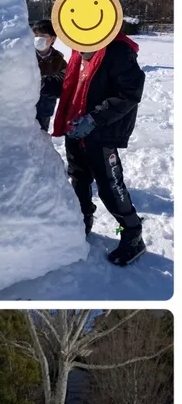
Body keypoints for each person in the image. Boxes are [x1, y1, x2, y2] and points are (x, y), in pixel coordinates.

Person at [52, 31, 146, 265]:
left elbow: (130, 92)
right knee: (78, 177)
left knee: (110, 185)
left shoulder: (118, 51)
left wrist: (94, 119)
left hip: (101, 132)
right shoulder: (78, 48)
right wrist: (40, 82)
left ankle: (133, 234)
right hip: (75, 128)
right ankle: (83, 220)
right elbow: (70, 84)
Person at [32, 19, 67, 132]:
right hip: (24, 108)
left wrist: (42, 83)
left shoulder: (59, 60)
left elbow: (63, 82)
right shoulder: (26, 54)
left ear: (52, 39)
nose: (37, 39)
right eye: (35, 35)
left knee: (41, 138)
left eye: (42, 35)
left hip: (45, 109)